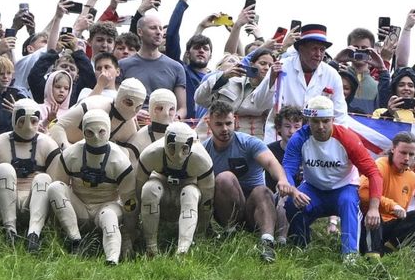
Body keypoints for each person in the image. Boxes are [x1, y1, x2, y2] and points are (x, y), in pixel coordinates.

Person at [282, 96, 381, 262]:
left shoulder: (347, 138)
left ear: (333, 120)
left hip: (344, 187)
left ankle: (350, 256)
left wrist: (374, 208)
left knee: (348, 202)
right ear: (308, 121)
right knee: (292, 203)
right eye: (315, 121)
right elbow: (288, 168)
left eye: (325, 121)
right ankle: (300, 248)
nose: (321, 126)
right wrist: (292, 191)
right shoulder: (299, 138)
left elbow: (373, 173)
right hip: (313, 188)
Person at [201, 100, 296, 262]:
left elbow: (271, 163)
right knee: (225, 178)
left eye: (228, 123)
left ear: (235, 121)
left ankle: (267, 243)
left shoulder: (249, 143)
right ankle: (230, 233)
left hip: (255, 208)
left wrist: (282, 179)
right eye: (219, 124)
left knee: (262, 190)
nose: (224, 129)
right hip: (225, 208)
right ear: (209, 124)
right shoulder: (203, 151)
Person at [46, 109, 136, 264]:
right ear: (83, 131)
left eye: (101, 132)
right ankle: (75, 240)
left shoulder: (120, 160)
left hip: (107, 206)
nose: (96, 137)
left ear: (108, 130)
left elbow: (129, 201)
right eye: (90, 132)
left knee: (109, 216)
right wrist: (55, 228)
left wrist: (128, 235)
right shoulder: (70, 155)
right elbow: (60, 187)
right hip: (79, 207)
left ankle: (112, 258)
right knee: (55, 187)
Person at [0, 99, 62, 252]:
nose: (28, 126)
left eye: (33, 121)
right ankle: (10, 231)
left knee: (44, 178)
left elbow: (56, 183)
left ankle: (34, 234)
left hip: (36, 203)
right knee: (4, 169)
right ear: (14, 119)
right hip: (6, 201)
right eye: (22, 121)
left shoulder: (48, 145)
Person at [254, 24, 346, 142]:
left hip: (315, 141)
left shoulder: (332, 74)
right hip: (280, 139)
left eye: (322, 50)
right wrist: (271, 80)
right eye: (314, 48)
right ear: (301, 49)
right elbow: (259, 104)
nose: (318, 54)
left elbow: (340, 115)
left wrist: (336, 143)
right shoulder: (281, 67)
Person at [137, 122, 214, 255]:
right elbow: (139, 192)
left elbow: (207, 202)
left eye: (184, 149)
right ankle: (151, 246)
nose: (177, 155)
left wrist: (200, 232)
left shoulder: (201, 160)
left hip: (187, 196)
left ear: (191, 145)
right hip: (161, 193)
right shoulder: (151, 154)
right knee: (149, 189)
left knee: (190, 194)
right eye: (172, 148)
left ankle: (183, 249)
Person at [358, 131, 415, 256]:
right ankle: (372, 255)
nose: (407, 158)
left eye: (411, 154)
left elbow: (402, 211)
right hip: (369, 222)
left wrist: (397, 209)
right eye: (403, 152)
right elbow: (363, 193)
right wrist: (392, 206)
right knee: (374, 214)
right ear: (393, 149)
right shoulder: (379, 166)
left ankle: (387, 253)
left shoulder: (412, 177)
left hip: (391, 225)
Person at [119, 12, 188, 118]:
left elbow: (182, 108)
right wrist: (133, 113)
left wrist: (175, 118)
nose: (159, 32)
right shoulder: (122, 65)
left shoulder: (177, 68)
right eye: (153, 28)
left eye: (160, 29)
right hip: (130, 123)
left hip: (165, 122)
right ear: (140, 32)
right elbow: (114, 99)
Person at [49, 78, 145, 147]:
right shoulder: (91, 106)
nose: (133, 110)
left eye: (138, 107)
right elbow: (56, 126)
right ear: (120, 97)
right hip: (60, 148)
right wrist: (67, 149)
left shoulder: (130, 129)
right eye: (128, 102)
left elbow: (130, 156)